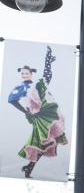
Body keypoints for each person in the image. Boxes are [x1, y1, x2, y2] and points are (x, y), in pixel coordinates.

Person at [7, 45, 68, 178]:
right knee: (41, 141)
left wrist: (48, 61)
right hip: (39, 116)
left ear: (31, 73)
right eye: (22, 73)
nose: (24, 75)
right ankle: (29, 167)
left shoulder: (37, 85)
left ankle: (29, 167)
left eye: (26, 73)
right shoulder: (22, 87)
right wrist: (26, 112)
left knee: (48, 141)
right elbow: (11, 99)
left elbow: (47, 78)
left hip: (48, 115)